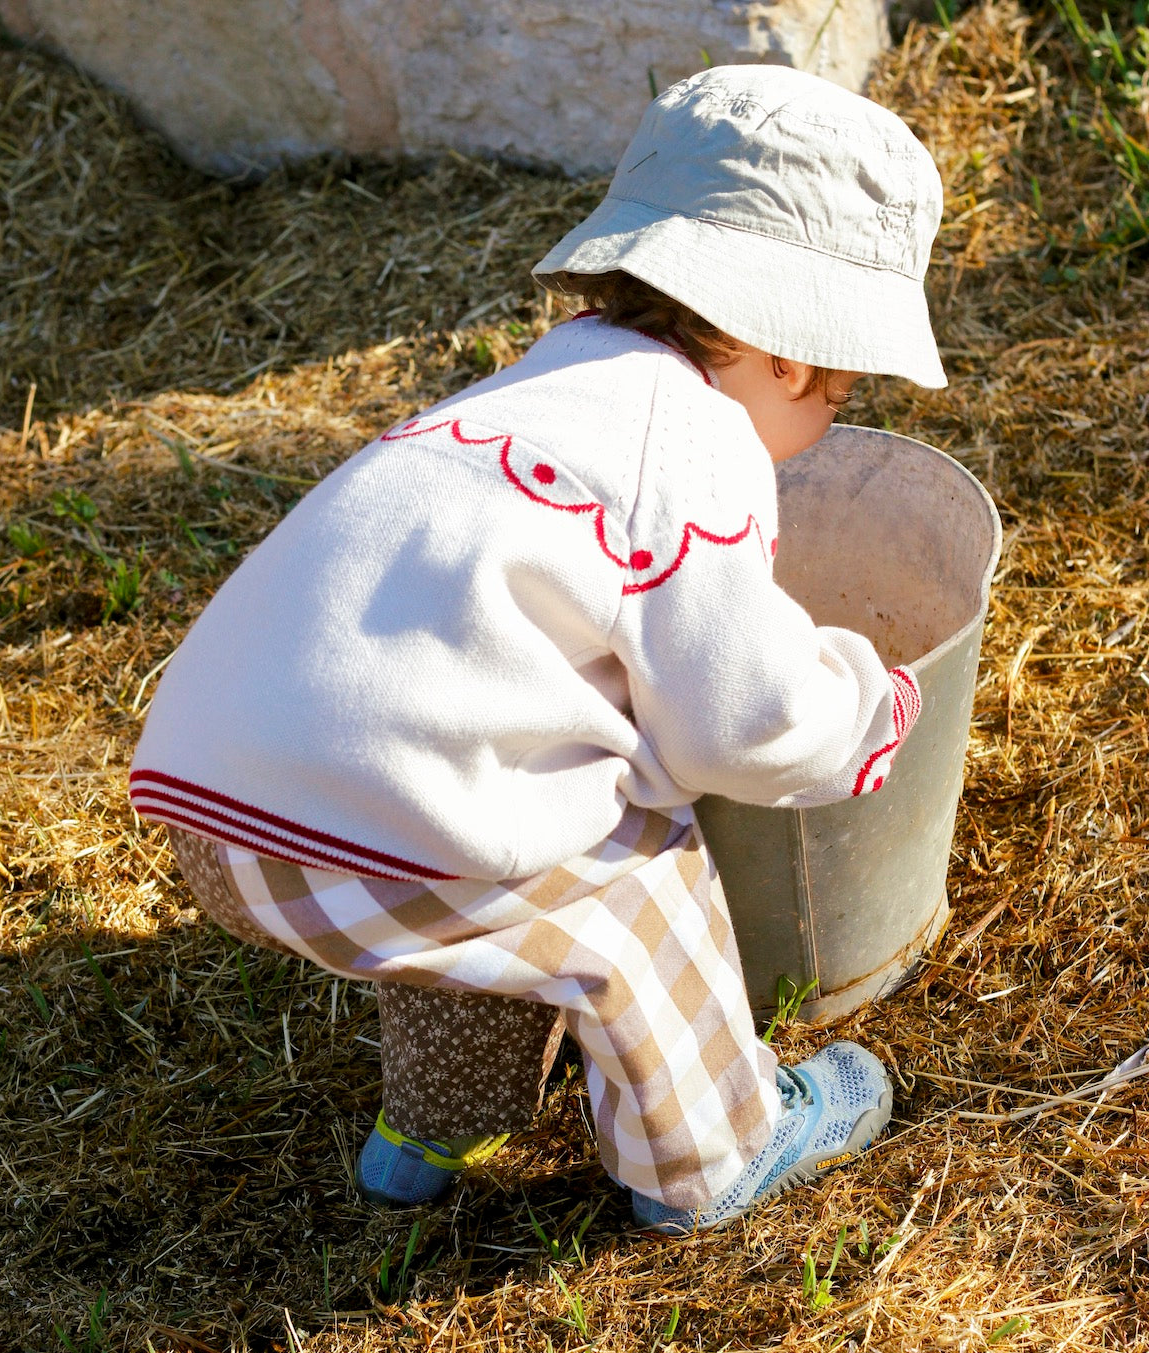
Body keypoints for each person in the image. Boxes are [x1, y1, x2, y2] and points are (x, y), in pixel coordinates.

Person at [129, 64, 945, 1235]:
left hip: (224, 811)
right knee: (633, 868)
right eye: (834, 394)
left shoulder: (547, 385)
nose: (820, 429)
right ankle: (716, 1154)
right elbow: (742, 718)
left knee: (507, 827)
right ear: (785, 353)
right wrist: (871, 710)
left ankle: (428, 1129)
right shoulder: (693, 443)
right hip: (373, 847)